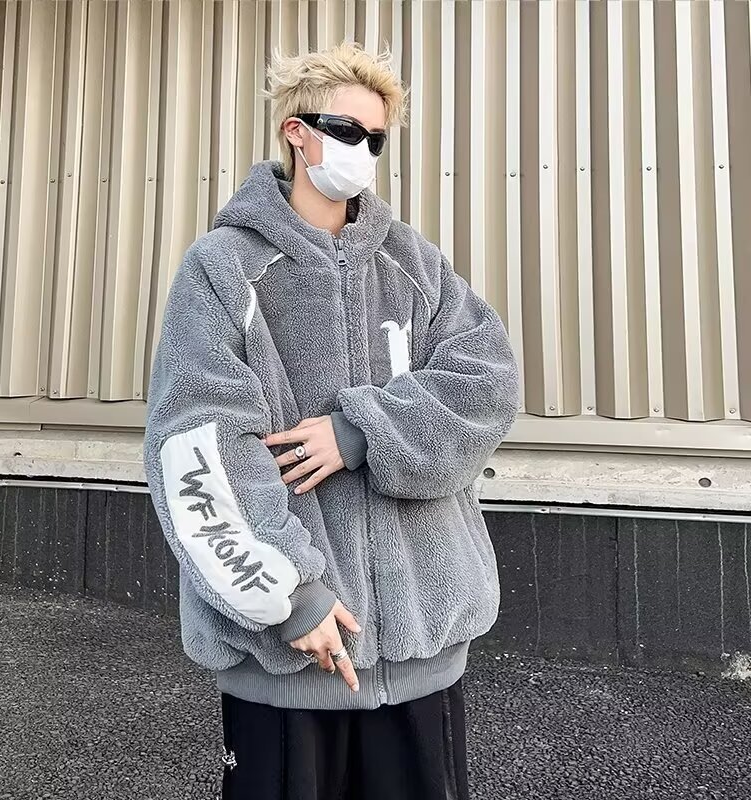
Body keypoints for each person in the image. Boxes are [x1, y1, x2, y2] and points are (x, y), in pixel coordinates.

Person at [143, 41, 520, 800]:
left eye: (375, 138)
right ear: (297, 132)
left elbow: (489, 382)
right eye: (347, 131)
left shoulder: (413, 263)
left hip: (420, 649)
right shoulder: (223, 268)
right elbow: (199, 441)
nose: (363, 151)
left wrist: (362, 431)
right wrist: (291, 596)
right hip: (290, 656)